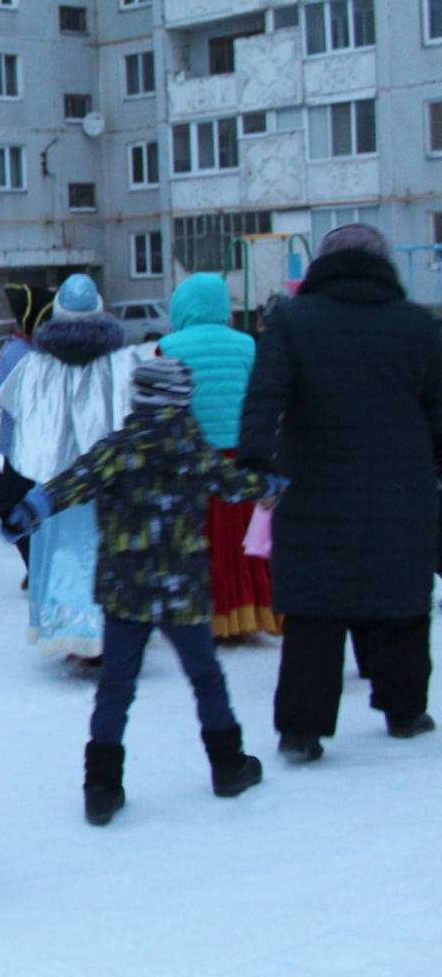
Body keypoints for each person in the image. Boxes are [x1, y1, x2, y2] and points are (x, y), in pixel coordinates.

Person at [4, 359, 275, 825]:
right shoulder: (191, 447)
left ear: (139, 398)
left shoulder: (118, 447)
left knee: (115, 688)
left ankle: (102, 788)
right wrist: (269, 485)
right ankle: (229, 766)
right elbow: (232, 484)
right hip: (181, 587)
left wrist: (33, 507)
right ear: (181, 400)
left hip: (125, 588)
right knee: (205, 676)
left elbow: (75, 481)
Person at [237, 223, 442, 762]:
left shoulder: (292, 321)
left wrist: (255, 457)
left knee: (314, 609)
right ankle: (404, 711)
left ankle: (302, 732)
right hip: (402, 486)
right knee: (399, 601)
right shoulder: (418, 325)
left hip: (313, 484)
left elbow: (265, 393)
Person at [0, 273, 139, 659]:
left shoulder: (36, 365)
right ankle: (112, 631)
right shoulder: (123, 361)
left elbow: (10, 406)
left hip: (55, 486)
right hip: (110, 484)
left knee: (63, 557)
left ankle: (70, 632)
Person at [155, 273, 278, 639]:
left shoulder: (168, 346)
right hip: (239, 454)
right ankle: (247, 610)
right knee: (241, 539)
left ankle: (202, 613)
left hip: (190, 458)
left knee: (198, 537)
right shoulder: (247, 345)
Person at [0, 285, 52, 578]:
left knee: (17, 508)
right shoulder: (44, 351)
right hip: (38, 446)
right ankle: (39, 566)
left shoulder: (17, 350)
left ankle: (38, 569)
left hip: (18, 448)